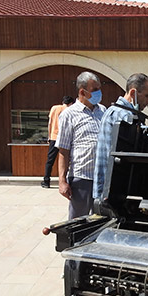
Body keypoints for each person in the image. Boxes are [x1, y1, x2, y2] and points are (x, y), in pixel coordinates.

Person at [93, 73, 148, 201]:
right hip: (111, 189)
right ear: (133, 93)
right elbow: (145, 134)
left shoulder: (113, 111)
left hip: (106, 187)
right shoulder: (122, 115)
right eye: (147, 96)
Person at [56, 71, 106, 219]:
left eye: (99, 88)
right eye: (94, 90)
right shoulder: (69, 114)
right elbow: (63, 150)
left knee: (100, 221)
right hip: (82, 177)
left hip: (101, 178)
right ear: (82, 91)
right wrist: (62, 181)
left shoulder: (103, 111)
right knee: (78, 222)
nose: (99, 92)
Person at [41, 95, 74, 188]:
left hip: (54, 137)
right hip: (65, 138)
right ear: (71, 103)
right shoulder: (70, 110)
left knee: (50, 160)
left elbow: (50, 122)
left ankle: (46, 180)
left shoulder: (54, 108)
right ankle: (67, 180)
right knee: (68, 160)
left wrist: (49, 136)